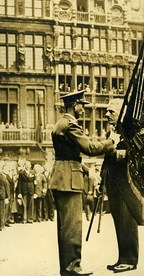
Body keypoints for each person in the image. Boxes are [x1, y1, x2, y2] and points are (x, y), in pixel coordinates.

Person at [49, 90, 114, 276]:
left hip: (63, 176)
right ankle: (73, 268)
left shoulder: (61, 123)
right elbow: (90, 148)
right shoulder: (70, 125)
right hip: (68, 179)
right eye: (81, 105)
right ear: (73, 105)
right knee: (73, 226)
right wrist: (111, 141)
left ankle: (67, 267)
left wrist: (87, 171)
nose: (83, 109)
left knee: (65, 226)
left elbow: (69, 155)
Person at [100, 98, 138, 273]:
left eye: (111, 112)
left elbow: (135, 154)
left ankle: (130, 259)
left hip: (127, 184)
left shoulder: (130, 131)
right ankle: (122, 257)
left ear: (121, 113)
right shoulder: (114, 132)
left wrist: (114, 151)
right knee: (119, 222)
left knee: (127, 221)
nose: (107, 115)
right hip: (114, 183)